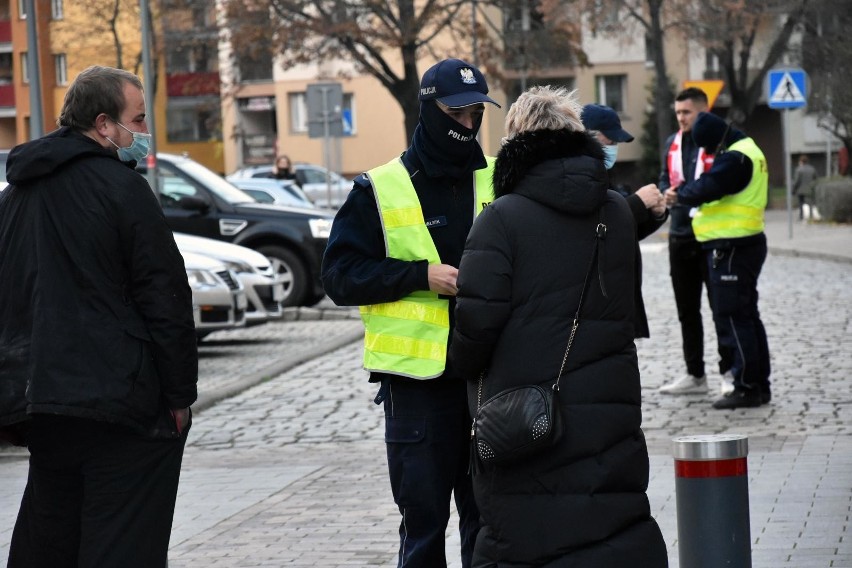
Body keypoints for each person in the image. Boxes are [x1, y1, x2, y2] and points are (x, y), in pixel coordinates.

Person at [447, 86, 667, 566]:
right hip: (611, 403)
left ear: (514, 143)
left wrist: (460, 364)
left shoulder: (499, 219)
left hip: (528, 413)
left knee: (523, 535)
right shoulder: (616, 211)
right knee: (611, 517)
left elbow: (476, 324)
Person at [0, 65, 198, 567]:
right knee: (123, 541)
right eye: (139, 118)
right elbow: (165, 295)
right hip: (120, 403)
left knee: (51, 537)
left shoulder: (14, 197)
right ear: (105, 124)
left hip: (40, 405)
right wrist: (178, 397)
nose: (145, 131)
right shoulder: (122, 189)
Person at [321, 58, 500, 567]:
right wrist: (420, 276)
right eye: (457, 114)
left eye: (475, 115)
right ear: (429, 110)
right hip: (416, 391)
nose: (468, 126)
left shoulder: (497, 181)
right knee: (423, 529)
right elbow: (338, 277)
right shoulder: (379, 188)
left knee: (487, 525)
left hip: (486, 379)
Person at [664, 111, 772, 409]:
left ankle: (746, 386)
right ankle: (759, 384)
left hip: (732, 248)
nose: (710, 154)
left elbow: (708, 186)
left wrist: (679, 195)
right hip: (745, 243)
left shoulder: (735, 158)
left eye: (710, 148)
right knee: (748, 315)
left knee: (734, 318)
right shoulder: (749, 150)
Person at [657, 87, 733, 396]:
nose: (680, 118)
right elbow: (665, 176)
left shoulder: (719, 142)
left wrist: (684, 193)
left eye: (686, 112)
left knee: (720, 308)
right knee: (687, 310)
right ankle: (695, 374)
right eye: (677, 112)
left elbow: (718, 182)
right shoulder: (671, 142)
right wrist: (667, 191)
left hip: (710, 237)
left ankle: (729, 371)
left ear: (703, 111)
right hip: (679, 235)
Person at [581, 103, 668, 338]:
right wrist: (638, 202)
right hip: (600, 298)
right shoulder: (578, 175)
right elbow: (595, 225)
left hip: (618, 294)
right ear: (589, 136)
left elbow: (622, 229)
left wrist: (655, 213)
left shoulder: (603, 171)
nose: (614, 148)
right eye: (610, 141)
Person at [792, 154, 817, 220]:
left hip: (801, 189)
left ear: (801, 161)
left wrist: (794, 189)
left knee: (801, 203)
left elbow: (797, 181)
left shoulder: (799, 170)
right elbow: (815, 179)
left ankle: (801, 216)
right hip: (810, 189)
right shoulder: (812, 169)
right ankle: (811, 216)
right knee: (810, 203)